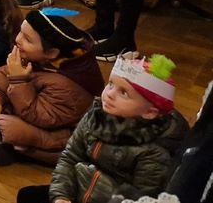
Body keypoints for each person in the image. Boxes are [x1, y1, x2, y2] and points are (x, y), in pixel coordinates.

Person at [15, 53, 190, 203]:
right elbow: (70, 157)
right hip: (82, 187)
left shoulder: (154, 152)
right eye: (111, 84)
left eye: (124, 93)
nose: (110, 94)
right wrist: (61, 195)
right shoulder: (96, 115)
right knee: (27, 196)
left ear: (150, 112)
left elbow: (138, 197)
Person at [0, 9, 104, 166]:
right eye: (20, 31)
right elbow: (1, 75)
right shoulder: (36, 55)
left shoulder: (68, 86)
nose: (17, 40)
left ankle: (9, 144)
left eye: (27, 39)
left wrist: (18, 79)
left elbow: (38, 117)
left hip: (55, 130)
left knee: (12, 128)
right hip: (27, 102)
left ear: (52, 53)